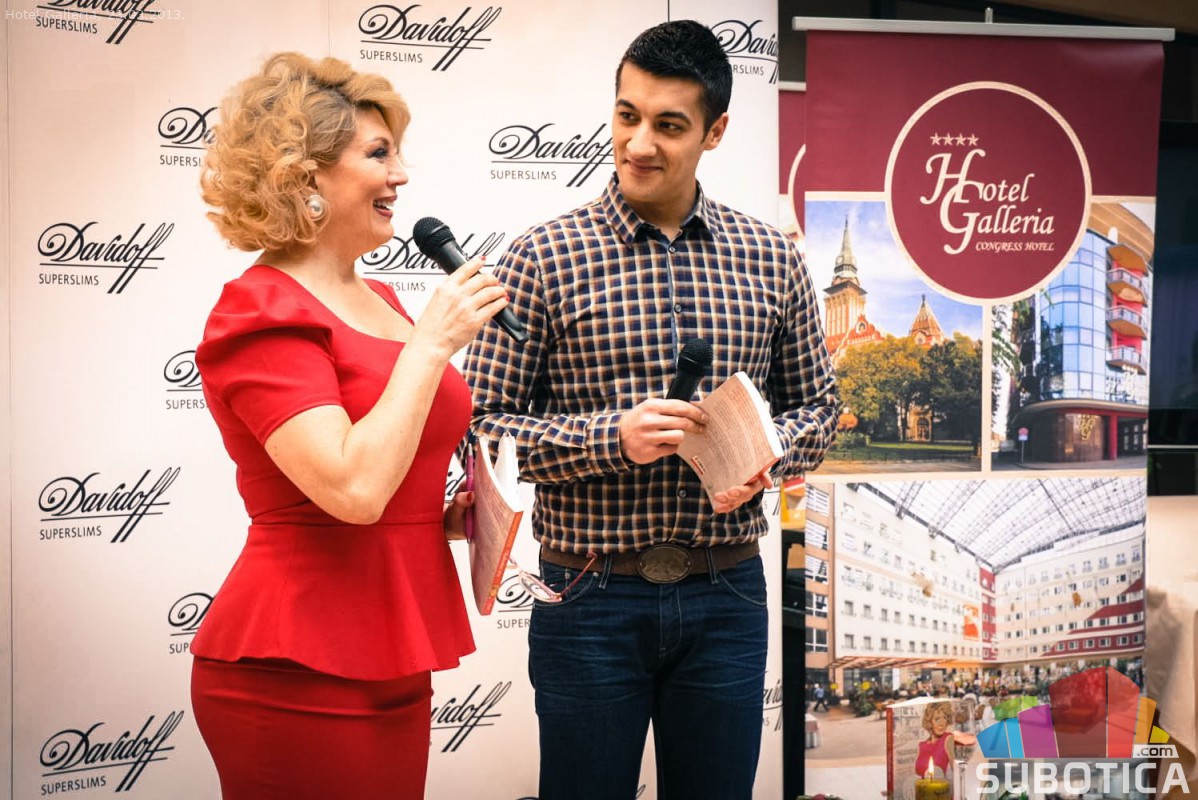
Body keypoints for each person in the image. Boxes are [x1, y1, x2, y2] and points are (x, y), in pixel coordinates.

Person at [461, 20, 838, 800]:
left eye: (668, 125)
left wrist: (763, 451)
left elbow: (820, 408)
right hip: (588, 597)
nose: (638, 144)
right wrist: (614, 438)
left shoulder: (772, 257)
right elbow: (483, 428)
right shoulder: (541, 257)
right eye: (627, 115)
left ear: (714, 131)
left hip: (728, 594)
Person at [189, 52, 507, 800]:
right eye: (378, 154)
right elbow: (354, 490)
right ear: (305, 178)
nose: (401, 176)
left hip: (391, 653)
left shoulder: (385, 300)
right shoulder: (261, 309)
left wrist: (442, 516)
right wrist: (431, 345)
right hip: (295, 667)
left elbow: (386, 477)